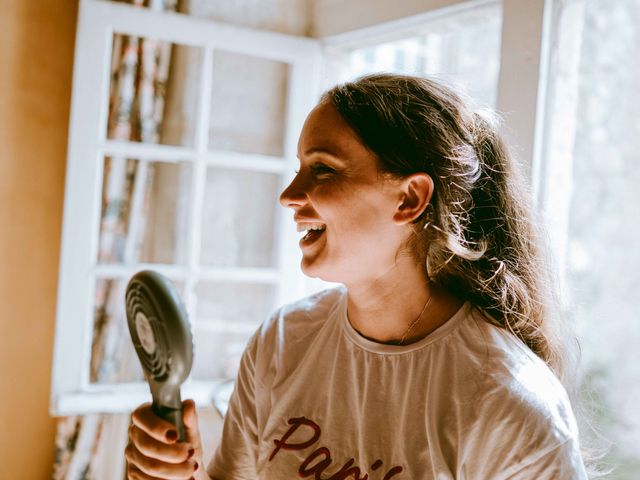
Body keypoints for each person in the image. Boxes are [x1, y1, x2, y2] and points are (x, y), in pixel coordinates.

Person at [125, 74, 588, 479]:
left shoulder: (508, 404)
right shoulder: (283, 344)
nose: (289, 195)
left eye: (323, 170)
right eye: (298, 169)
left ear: (409, 198)